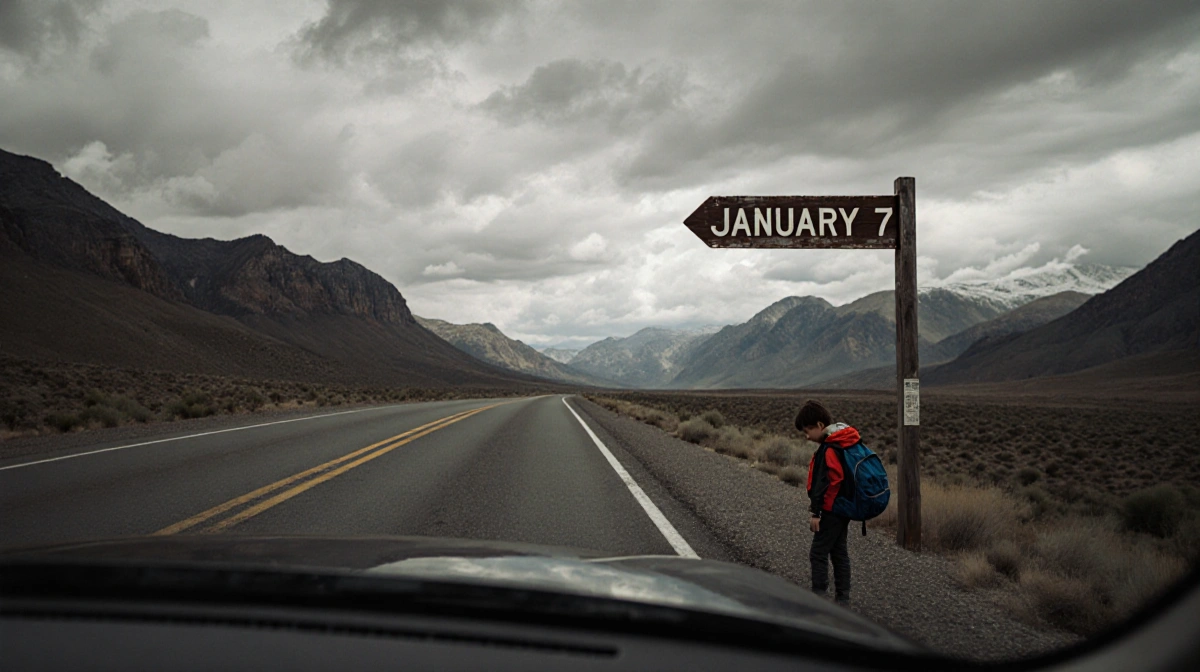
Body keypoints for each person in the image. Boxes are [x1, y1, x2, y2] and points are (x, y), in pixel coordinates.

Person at [795, 399, 860, 608]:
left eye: (808, 430)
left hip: (831, 510)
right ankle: (843, 599)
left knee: (818, 553)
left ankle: (818, 600)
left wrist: (817, 513)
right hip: (843, 508)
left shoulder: (829, 449)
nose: (807, 436)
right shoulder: (841, 442)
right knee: (839, 551)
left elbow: (827, 482)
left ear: (820, 425)